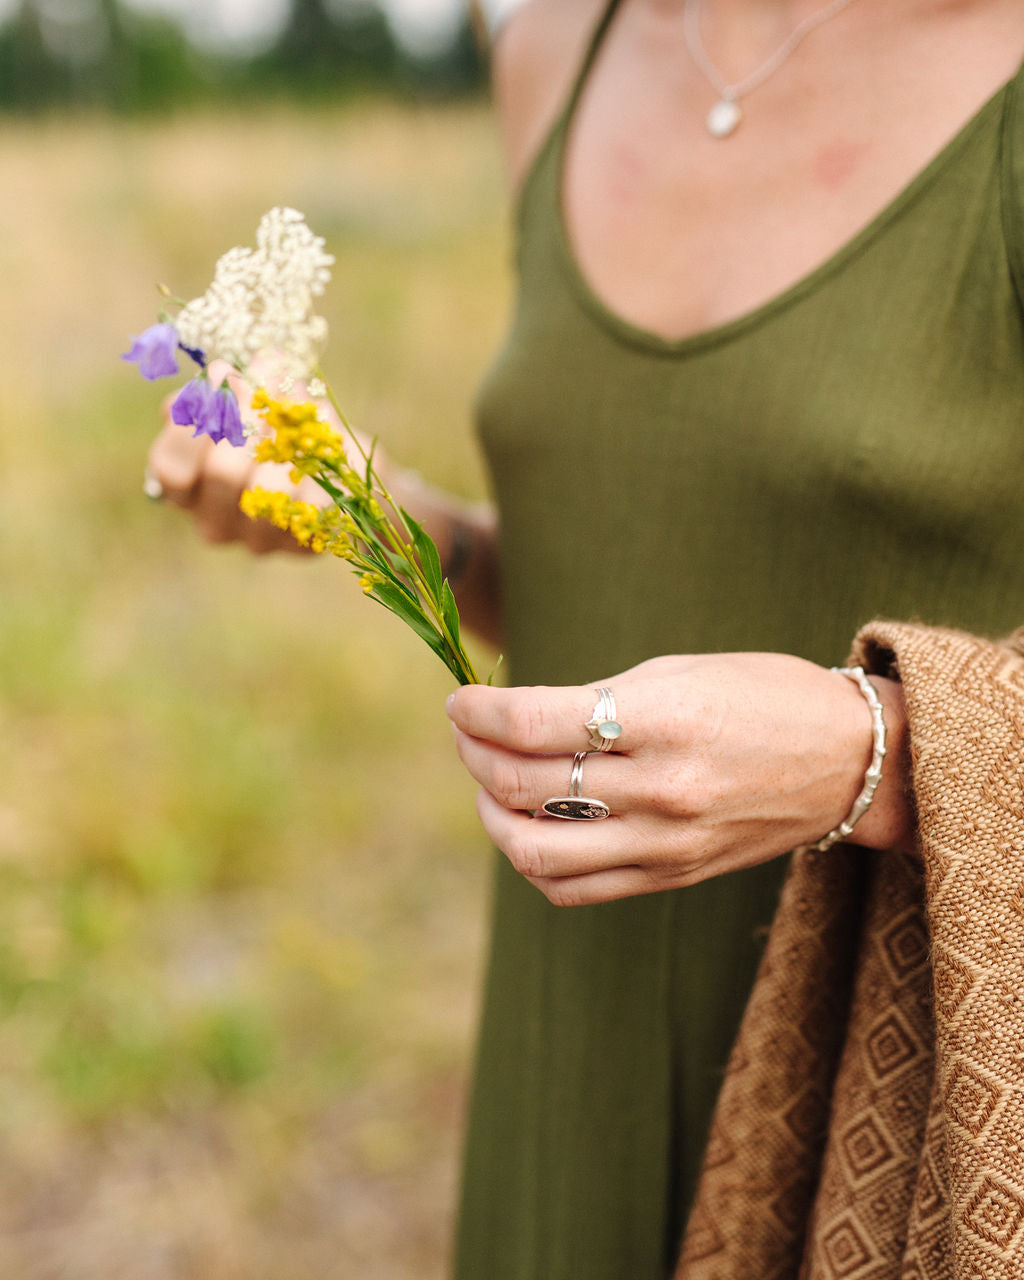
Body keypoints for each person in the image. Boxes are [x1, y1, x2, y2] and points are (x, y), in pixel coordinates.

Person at [147, 1, 1024, 1276]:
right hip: (565, 1053)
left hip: (891, 1091)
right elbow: (612, 557)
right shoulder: (554, 51)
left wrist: (869, 748)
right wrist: (384, 519)